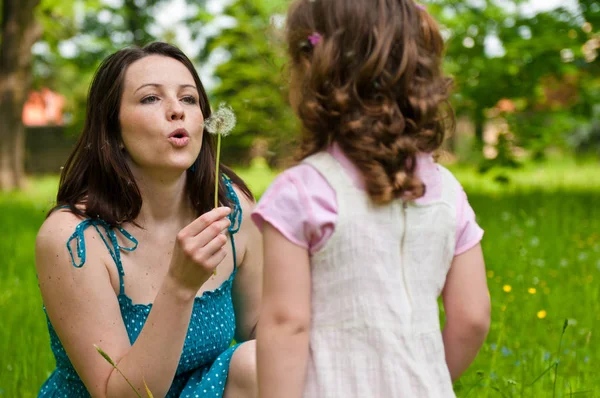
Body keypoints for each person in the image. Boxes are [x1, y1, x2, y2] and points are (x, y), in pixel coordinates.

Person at [253, 1, 491, 397]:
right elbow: (472, 317)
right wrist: (425, 379)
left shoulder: (300, 191)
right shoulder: (448, 192)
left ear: (310, 68)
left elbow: (285, 323)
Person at [35, 42, 261, 398]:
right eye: (150, 99)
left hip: (204, 390)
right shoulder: (74, 239)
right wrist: (180, 287)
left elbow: (261, 329)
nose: (177, 111)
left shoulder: (231, 209)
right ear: (113, 131)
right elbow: (120, 395)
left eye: (188, 99)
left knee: (260, 362)